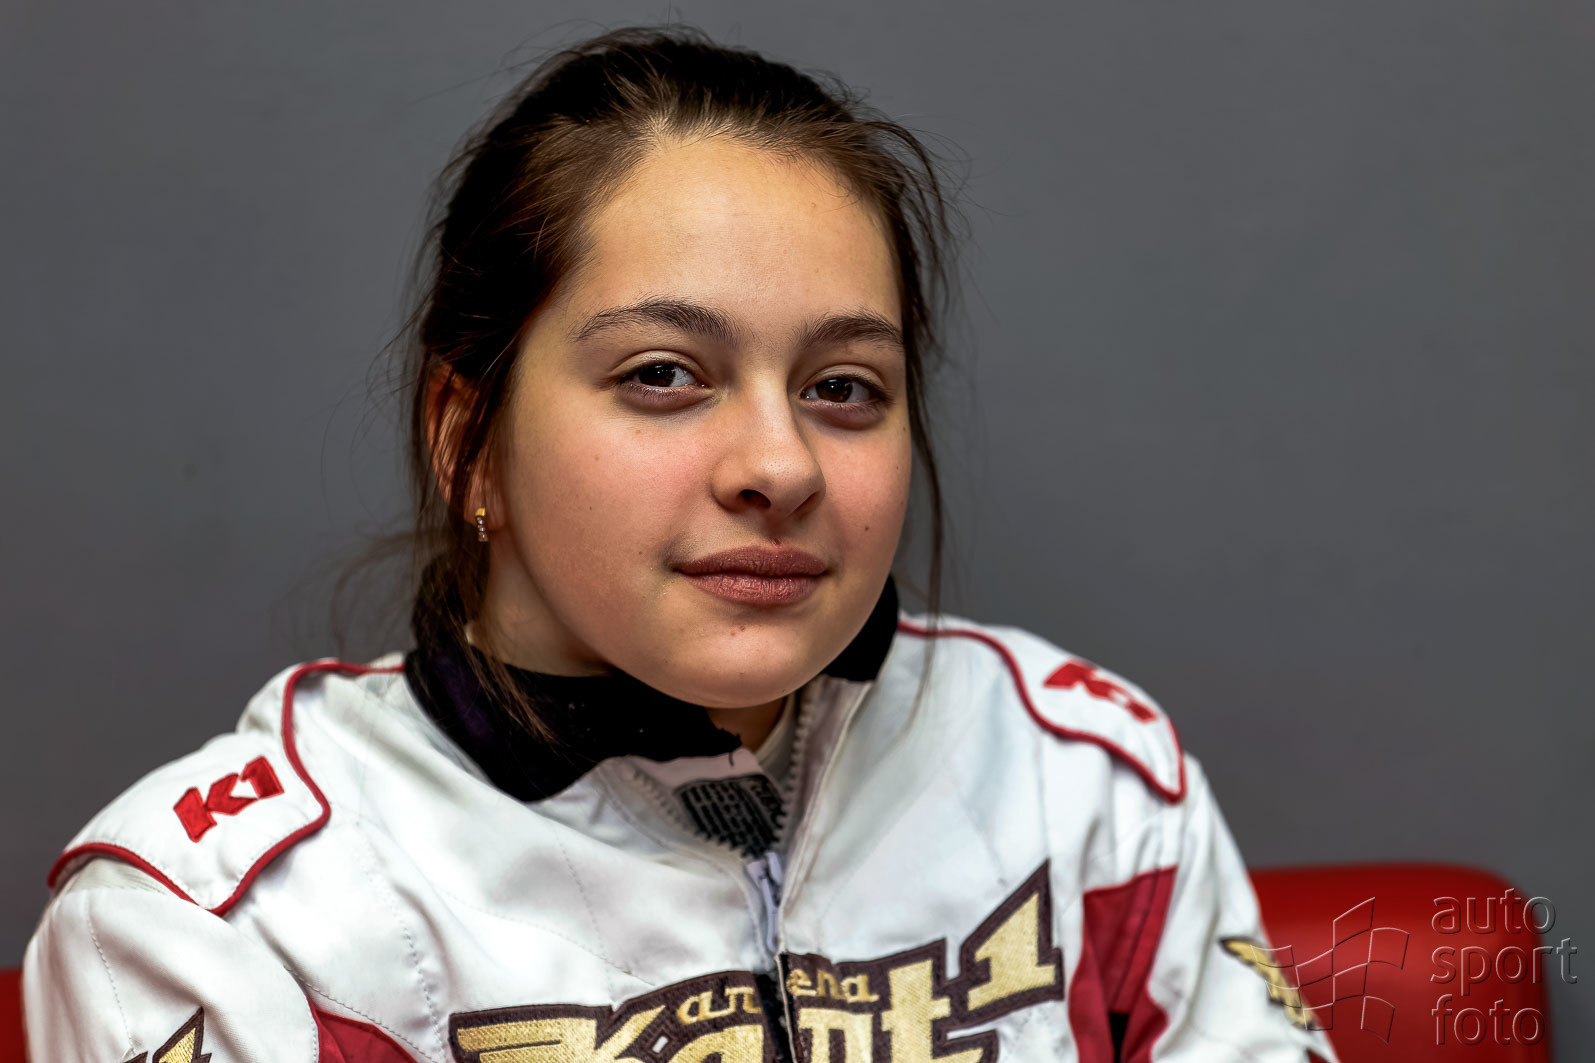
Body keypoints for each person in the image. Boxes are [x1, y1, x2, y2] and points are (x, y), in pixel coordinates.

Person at [23, 25, 1338, 1063]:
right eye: (663, 374)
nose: (780, 465)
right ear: (467, 435)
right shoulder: (217, 923)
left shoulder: (1085, 782)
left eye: (844, 388)